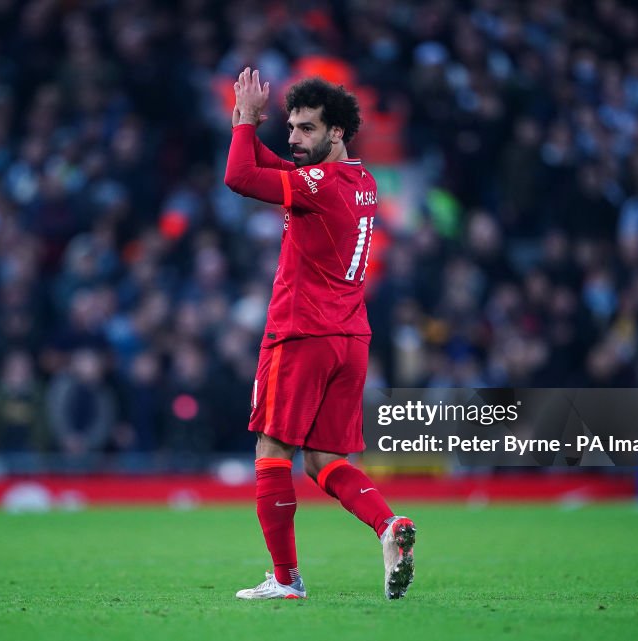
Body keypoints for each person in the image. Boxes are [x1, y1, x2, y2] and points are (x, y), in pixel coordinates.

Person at [223, 68, 416, 600]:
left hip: (302, 333)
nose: (293, 138)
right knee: (325, 461)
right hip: (350, 338)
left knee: (272, 448)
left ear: (337, 133)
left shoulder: (319, 185)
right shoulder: (362, 182)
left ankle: (286, 580)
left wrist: (244, 121)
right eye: (290, 127)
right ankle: (388, 527)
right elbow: (276, 169)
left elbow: (239, 177)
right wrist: (253, 126)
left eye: (307, 129)